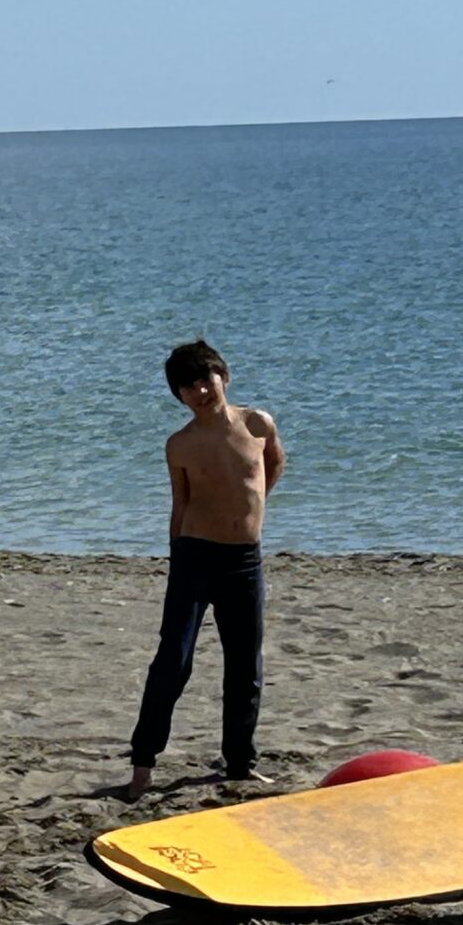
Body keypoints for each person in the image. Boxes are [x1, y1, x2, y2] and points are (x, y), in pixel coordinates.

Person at [124, 338, 285, 803]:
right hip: (195, 556)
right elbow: (180, 502)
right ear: (178, 395)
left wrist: (251, 509)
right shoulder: (180, 444)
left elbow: (272, 463)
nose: (199, 391)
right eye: (187, 386)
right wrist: (177, 555)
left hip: (245, 561)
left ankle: (239, 762)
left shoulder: (257, 423)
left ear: (224, 377)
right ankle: (143, 763)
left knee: (245, 666)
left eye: (205, 380)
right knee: (173, 660)